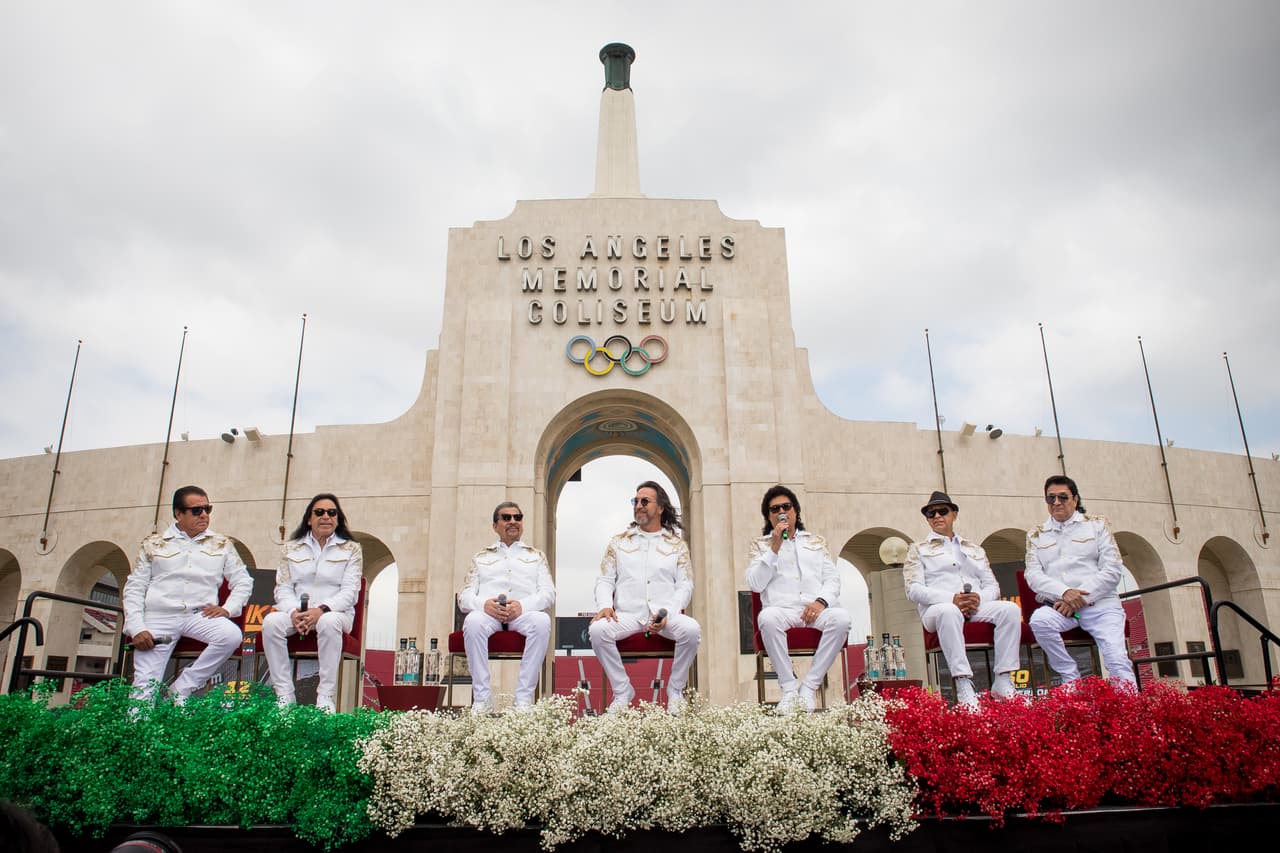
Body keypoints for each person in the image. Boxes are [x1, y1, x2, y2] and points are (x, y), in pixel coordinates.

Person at [123, 485, 252, 702]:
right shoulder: (154, 543)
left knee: (231, 636)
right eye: (196, 510)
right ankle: (139, 732)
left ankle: (182, 687)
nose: (204, 515)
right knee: (144, 689)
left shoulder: (222, 543)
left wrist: (228, 609)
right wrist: (136, 627)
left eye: (207, 509)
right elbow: (135, 587)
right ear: (178, 513)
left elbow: (243, 581)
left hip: (199, 615)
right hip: (159, 616)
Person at [903, 491, 1023, 707]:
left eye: (943, 511)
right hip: (938, 609)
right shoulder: (917, 550)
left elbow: (992, 585)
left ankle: (1003, 679)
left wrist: (977, 599)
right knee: (949, 612)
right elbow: (913, 589)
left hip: (976, 606)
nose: (937, 516)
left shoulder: (974, 549)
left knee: (1010, 609)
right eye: (931, 513)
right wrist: (952, 599)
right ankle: (963, 683)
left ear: (954, 514)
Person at [590, 481, 701, 713]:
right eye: (636, 501)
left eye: (645, 501)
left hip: (665, 616)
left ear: (660, 508)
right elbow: (605, 579)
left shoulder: (677, 545)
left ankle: (675, 690)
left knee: (691, 630)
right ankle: (622, 691)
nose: (638, 506)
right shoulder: (618, 542)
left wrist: (668, 614)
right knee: (598, 630)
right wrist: (604, 605)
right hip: (628, 615)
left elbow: (685, 585)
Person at [746, 485, 851, 713]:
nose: (782, 512)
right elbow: (755, 583)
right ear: (769, 516)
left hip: (815, 610)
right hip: (782, 610)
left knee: (842, 619)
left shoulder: (814, 542)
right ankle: (789, 688)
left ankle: (809, 688)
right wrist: (774, 548)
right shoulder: (760, 546)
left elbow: (833, 579)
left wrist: (820, 602)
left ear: (796, 511)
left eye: (786, 506)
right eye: (775, 509)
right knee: (768, 618)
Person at [1024, 475, 1136, 689]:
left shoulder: (1096, 525)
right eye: (1050, 498)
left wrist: (1079, 597)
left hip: (1101, 606)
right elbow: (1033, 575)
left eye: (1062, 497)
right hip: (1063, 608)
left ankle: (1129, 712)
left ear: (1075, 499)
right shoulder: (1036, 534)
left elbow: (1112, 569)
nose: (1056, 502)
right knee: (1040, 621)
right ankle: (1070, 676)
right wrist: (1065, 593)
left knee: (1116, 660)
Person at [261, 493, 363, 712]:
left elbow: (350, 592)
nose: (326, 517)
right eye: (319, 512)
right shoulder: (291, 549)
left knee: (328, 622)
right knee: (271, 623)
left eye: (331, 513)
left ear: (338, 518)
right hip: (298, 612)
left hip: (335, 613)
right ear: (309, 518)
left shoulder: (351, 549)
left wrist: (322, 610)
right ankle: (284, 695)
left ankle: (325, 695)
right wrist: (292, 612)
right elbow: (283, 588)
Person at [457, 501, 555, 713]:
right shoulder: (481, 558)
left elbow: (548, 594)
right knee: (472, 621)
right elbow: (464, 597)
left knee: (542, 621)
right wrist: (484, 605)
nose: (513, 522)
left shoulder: (536, 556)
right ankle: (482, 699)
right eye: (506, 517)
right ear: (495, 525)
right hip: (488, 615)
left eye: (517, 518)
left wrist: (522, 606)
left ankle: (523, 699)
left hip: (522, 614)